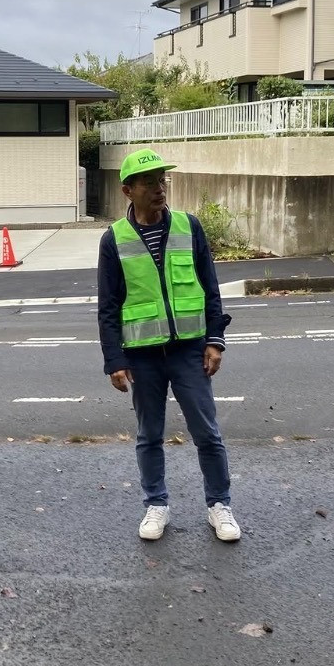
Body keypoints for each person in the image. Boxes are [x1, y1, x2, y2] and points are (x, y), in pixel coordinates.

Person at [97, 148, 239, 542]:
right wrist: (114, 360)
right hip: (142, 357)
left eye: (162, 181)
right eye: (149, 183)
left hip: (188, 350)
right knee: (149, 435)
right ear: (128, 191)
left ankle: (219, 505)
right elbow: (108, 306)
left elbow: (210, 286)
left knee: (207, 432)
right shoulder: (114, 239)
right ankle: (156, 505)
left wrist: (215, 340)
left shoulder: (188, 226)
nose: (160, 189)